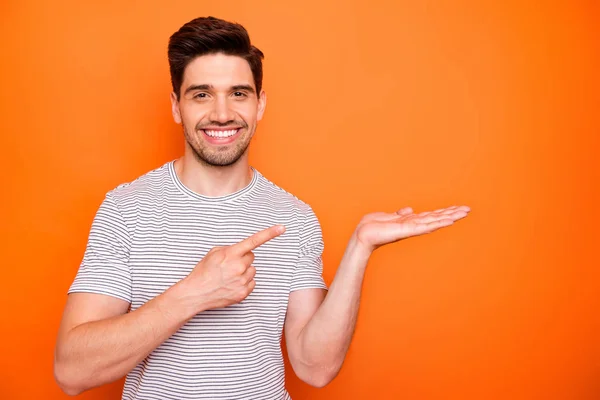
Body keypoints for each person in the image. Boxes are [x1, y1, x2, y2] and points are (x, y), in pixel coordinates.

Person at [53, 16, 470, 400]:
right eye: (201, 95)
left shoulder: (294, 217)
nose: (222, 113)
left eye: (238, 93)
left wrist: (360, 248)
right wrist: (192, 295)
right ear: (177, 107)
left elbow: (315, 366)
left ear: (260, 105)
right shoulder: (125, 209)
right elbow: (72, 370)